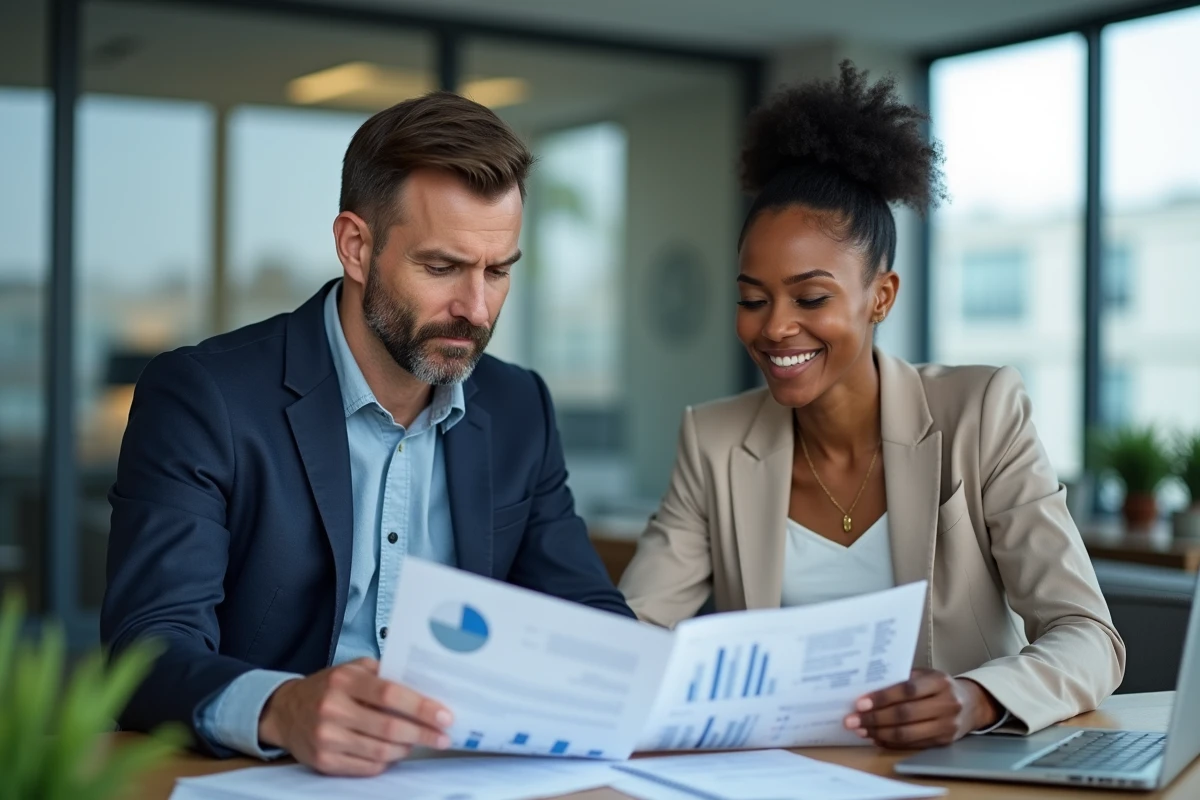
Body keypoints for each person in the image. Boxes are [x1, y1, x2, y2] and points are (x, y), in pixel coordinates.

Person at [102, 91, 633, 776]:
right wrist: (282, 708)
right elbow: (150, 648)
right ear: (357, 246)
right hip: (268, 779)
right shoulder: (206, 398)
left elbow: (585, 614)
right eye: (441, 268)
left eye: (498, 271)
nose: (475, 308)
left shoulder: (519, 405)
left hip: (466, 777)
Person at [618, 62, 1124, 750]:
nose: (774, 328)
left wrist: (977, 698)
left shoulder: (980, 412)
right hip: (775, 777)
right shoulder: (713, 440)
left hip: (956, 773)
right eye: (752, 299)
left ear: (880, 296)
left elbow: (1088, 636)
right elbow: (637, 632)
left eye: (812, 297)